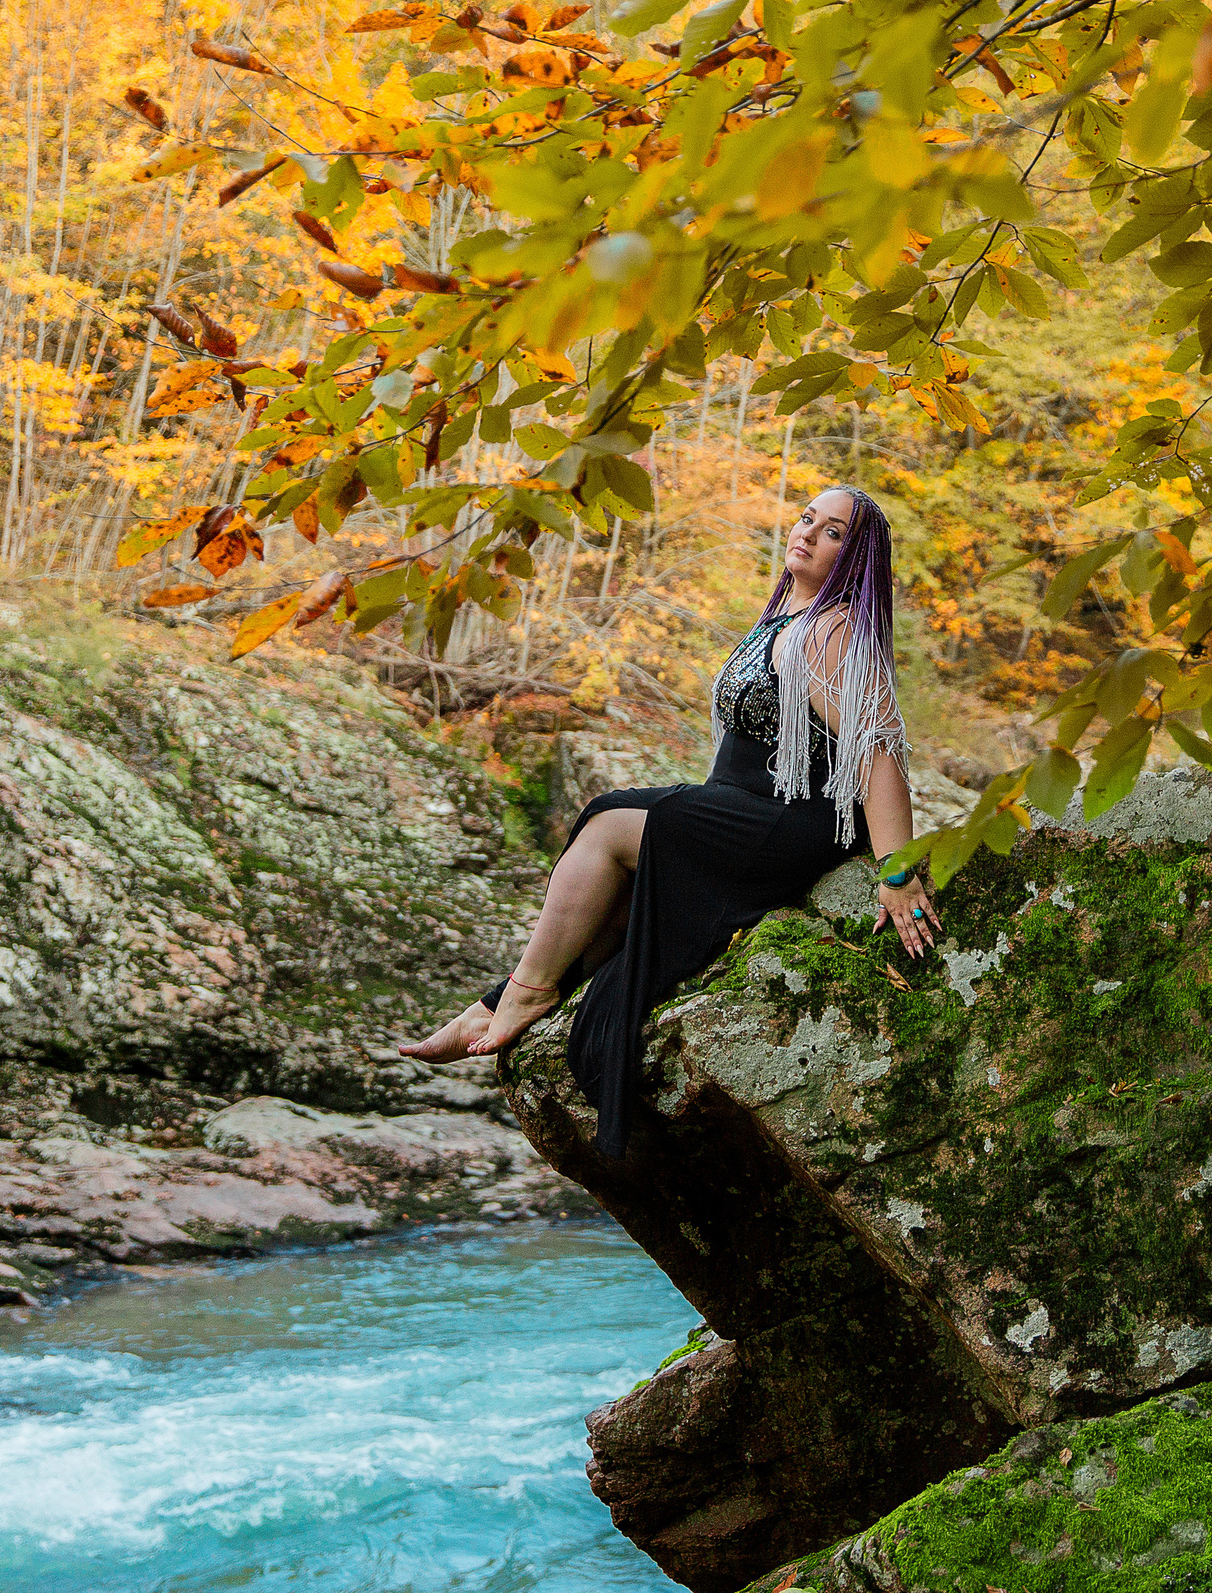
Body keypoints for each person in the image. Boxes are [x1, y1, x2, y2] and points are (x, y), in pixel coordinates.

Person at [399, 485, 940, 1159]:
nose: (806, 533)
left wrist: (897, 873)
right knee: (618, 853)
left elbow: (879, 757)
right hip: (746, 810)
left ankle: (525, 994)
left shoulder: (833, 633)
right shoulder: (786, 618)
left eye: (832, 532)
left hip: (790, 824)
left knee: (607, 826)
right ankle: (498, 1000)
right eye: (807, 518)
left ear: (854, 558)